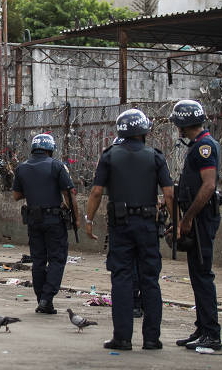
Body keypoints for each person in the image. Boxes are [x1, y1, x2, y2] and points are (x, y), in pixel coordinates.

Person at [85, 109, 174, 351]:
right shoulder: (155, 156)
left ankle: (122, 338)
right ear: (144, 131)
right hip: (147, 226)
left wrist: (88, 219)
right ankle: (152, 339)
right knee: (150, 280)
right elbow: (168, 193)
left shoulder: (110, 156)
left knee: (122, 279)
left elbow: (96, 192)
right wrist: (175, 222)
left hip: (121, 226)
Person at [169, 99, 222, 351]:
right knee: (196, 276)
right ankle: (202, 328)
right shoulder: (199, 146)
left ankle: (212, 334)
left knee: (202, 277)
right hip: (196, 218)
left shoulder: (204, 147)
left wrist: (188, 218)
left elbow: (209, 185)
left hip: (201, 220)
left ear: (183, 124)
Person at [12, 133, 78, 315]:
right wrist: (77, 218)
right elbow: (69, 194)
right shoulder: (56, 166)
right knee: (57, 258)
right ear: (50, 149)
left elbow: (16, 195)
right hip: (54, 220)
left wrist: (33, 189)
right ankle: (47, 298)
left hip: (34, 220)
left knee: (39, 260)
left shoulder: (22, 168)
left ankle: (41, 298)